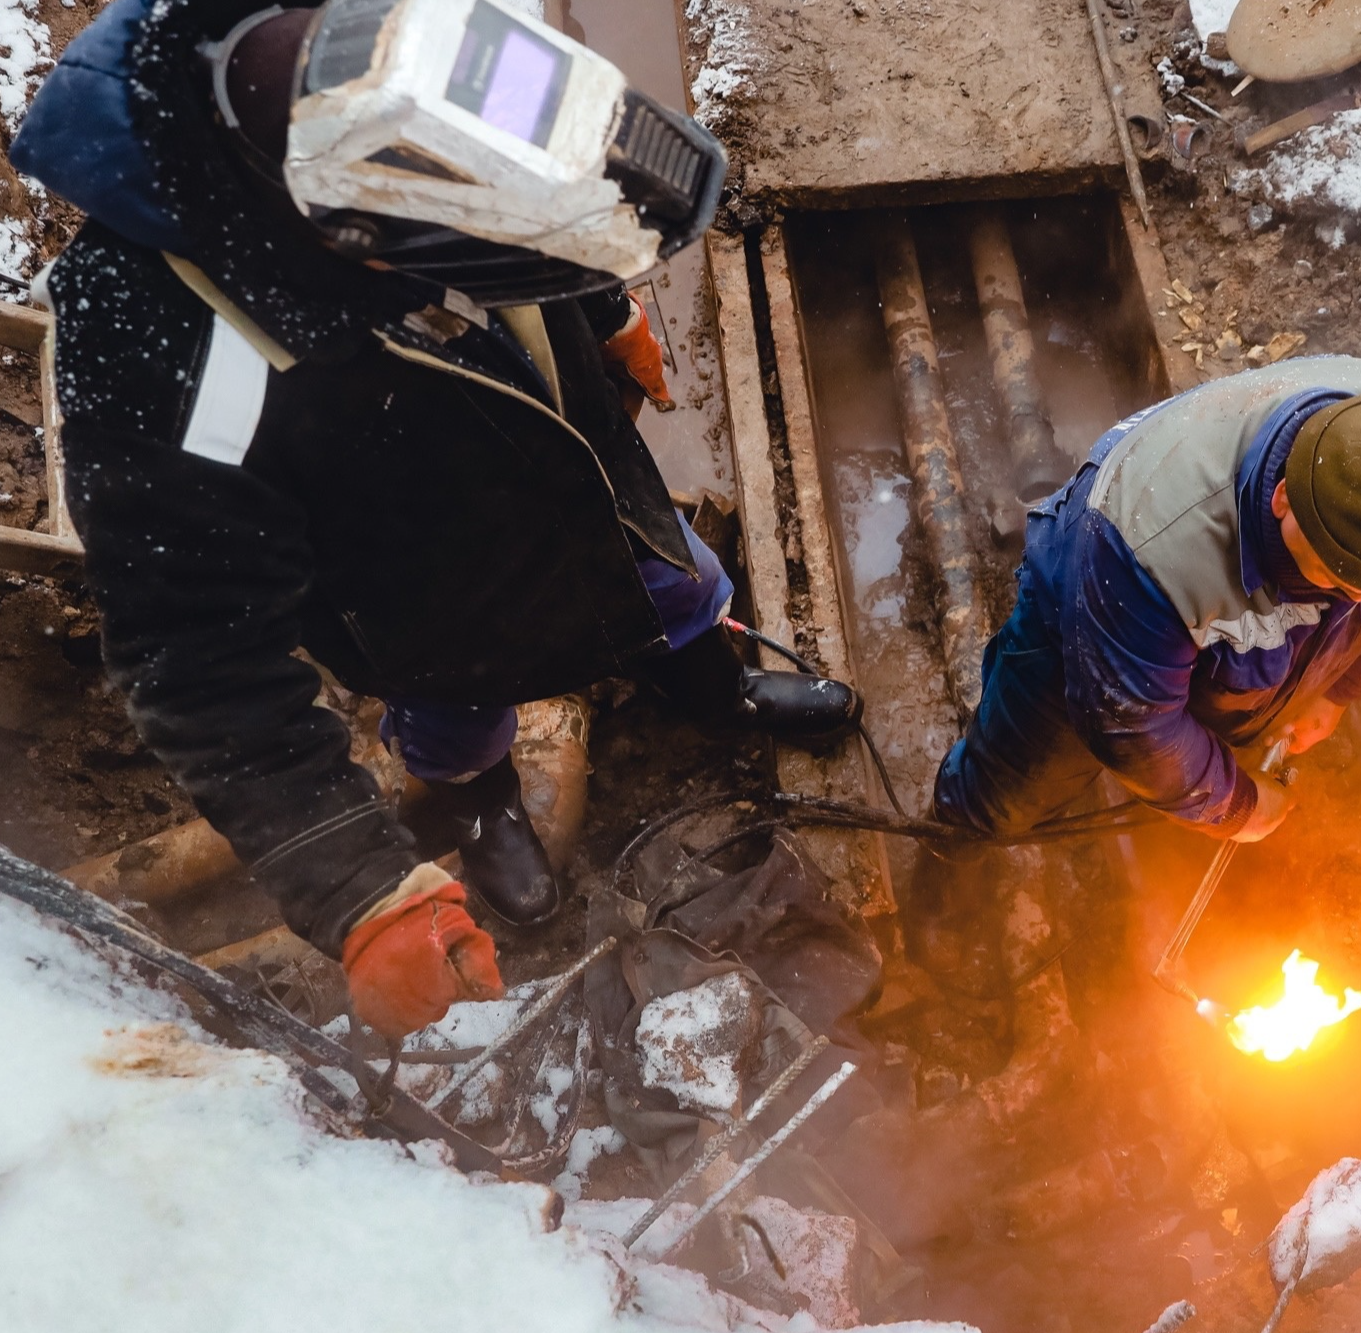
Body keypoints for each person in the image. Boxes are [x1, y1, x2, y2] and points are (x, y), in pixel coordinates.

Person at [12, 0, 860, 1037]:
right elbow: (199, 661)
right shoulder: (156, 342)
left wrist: (600, 312)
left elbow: (516, 175)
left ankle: (714, 683)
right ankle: (483, 801)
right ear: (365, 243)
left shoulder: (386, 44)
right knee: (457, 721)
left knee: (677, 583)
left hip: (576, 473)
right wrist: (357, 890)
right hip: (429, 600)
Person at [916, 356, 1361, 985]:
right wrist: (1236, 806)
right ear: (1284, 497)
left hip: (1230, 637)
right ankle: (948, 859)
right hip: (1086, 610)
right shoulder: (1147, 546)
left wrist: (1340, 691)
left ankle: (1184, 799)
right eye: (1334, 576)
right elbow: (1129, 724)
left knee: (1212, 732)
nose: (1352, 601)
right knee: (1012, 788)